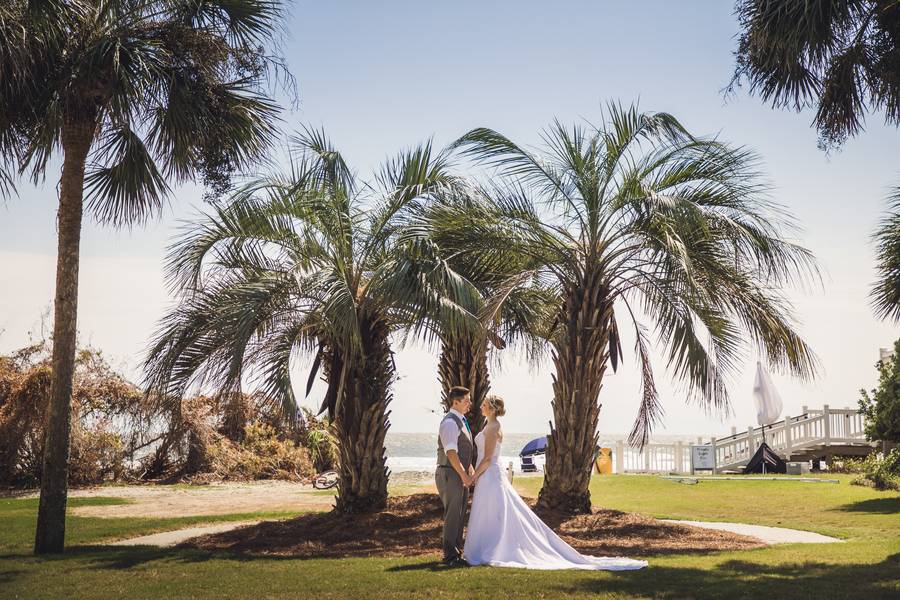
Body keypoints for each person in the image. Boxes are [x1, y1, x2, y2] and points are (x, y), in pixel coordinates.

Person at [463, 394, 648, 571]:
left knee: (492, 512)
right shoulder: (491, 425)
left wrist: (473, 476)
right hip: (488, 475)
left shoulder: (493, 427)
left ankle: (491, 549)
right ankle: (487, 547)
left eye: (484, 404)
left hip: (489, 474)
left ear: (492, 409)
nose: (481, 406)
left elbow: (487, 458)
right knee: (489, 512)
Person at [435, 385, 476, 567]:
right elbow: (451, 452)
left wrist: (470, 468)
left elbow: (462, 449)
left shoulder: (461, 420)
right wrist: (462, 475)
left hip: (458, 471)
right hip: (450, 473)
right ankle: (449, 555)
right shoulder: (450, 423)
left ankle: (457, 552)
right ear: (456, 401)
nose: (469, 403)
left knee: (459, 514)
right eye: (466, 400)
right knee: (452, 514)